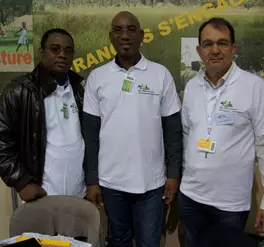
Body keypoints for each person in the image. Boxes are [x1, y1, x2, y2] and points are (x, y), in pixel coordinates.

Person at [179, 17, 264, 247]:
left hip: (229, 205)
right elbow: (187, 135)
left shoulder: (253, 87)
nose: (215, 50)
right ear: (199, 50)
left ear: (233, 48)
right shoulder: (191, 87)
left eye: (222, 43)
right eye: (208, 44)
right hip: (190, 198)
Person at [82, 11, 182, 247]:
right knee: (119, 241)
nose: (124, 35)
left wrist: (173, 175)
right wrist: (92, 180)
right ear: (110, 37)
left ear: (142, 35)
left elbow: (173, 132)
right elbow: (91, 136)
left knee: (149, 242)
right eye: (118, 30)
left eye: (130, 29)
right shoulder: (98, 77)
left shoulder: (160, 75)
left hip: (151, 182)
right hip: (111, 182)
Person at [0, 28, 86, 202]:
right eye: (55, 49)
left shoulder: (79, 89)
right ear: (42, 52)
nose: (62, 54)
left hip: (79, 194)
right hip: (41, 196)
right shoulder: (20, 90)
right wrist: (21, 181)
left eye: (68, 50)